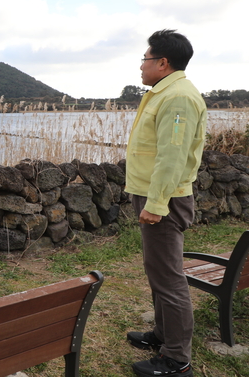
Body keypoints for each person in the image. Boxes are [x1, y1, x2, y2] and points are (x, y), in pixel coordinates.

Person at [125, 30, 207, 377]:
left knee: (169, 277)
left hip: (165, 200)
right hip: (156, 195)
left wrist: (156, 204)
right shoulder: (166, 93)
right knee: (158, 270)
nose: (141, 65)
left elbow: (172, 157)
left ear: (162, 62)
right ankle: (162, 334)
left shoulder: (177, 98)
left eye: (145, 59)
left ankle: (176, 358)